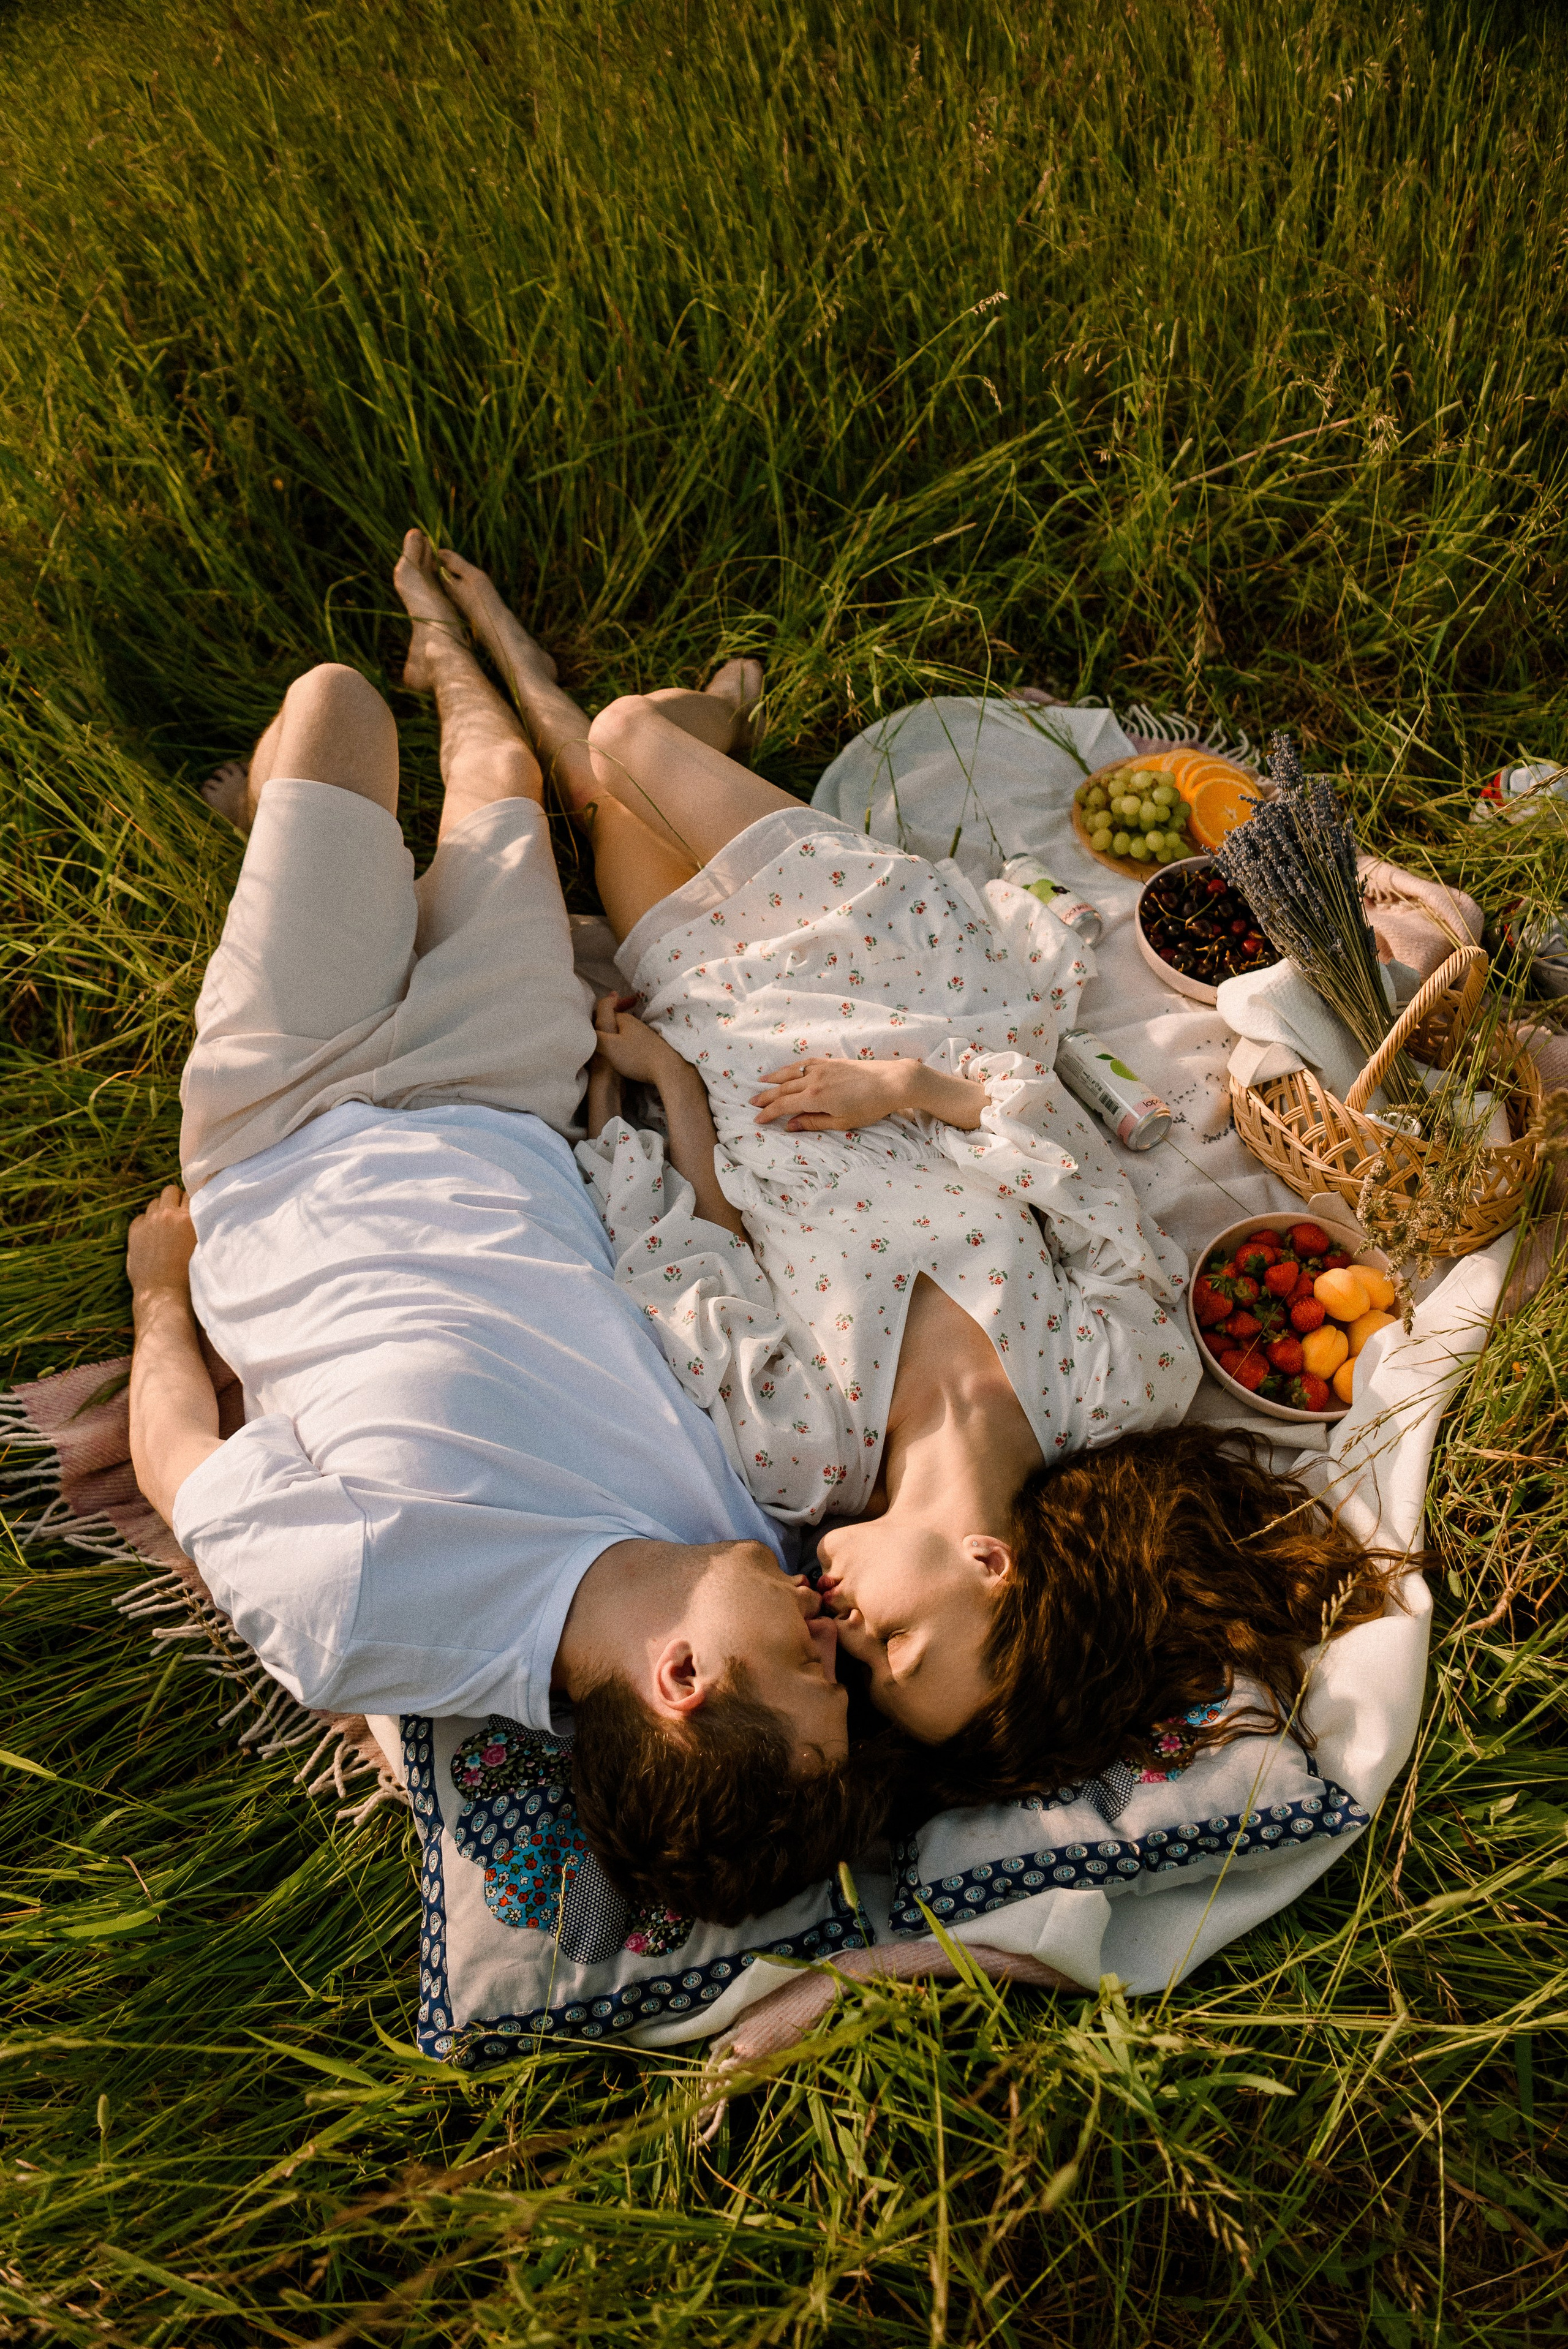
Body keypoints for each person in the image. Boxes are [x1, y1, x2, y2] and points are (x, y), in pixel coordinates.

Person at [126, 545, 889, 1929]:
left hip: (278, 1124)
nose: (835, 1637)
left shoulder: (360, 1611)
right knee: (497, 781)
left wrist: (159, 1300)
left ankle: (300, 824)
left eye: (812, 1672)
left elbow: (182, 1467)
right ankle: (425, 670)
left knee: (335, 707)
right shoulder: (758, 1525)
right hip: (504, 1093)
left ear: (680, 1681)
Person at [395, 541, 1206, 1764]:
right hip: (893, 985)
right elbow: (1083, 1178)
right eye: (899, 1649)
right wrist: (907, 1086)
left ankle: (508, 661)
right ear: (991, 1566)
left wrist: (666, 1084)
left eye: (856, 1674)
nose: (848, 1643)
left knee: (601, 790)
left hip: (727, 1027)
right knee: (624, 737)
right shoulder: (1114, 1387)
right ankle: (644, 698)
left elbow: (706, 1253)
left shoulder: (805, 1460)